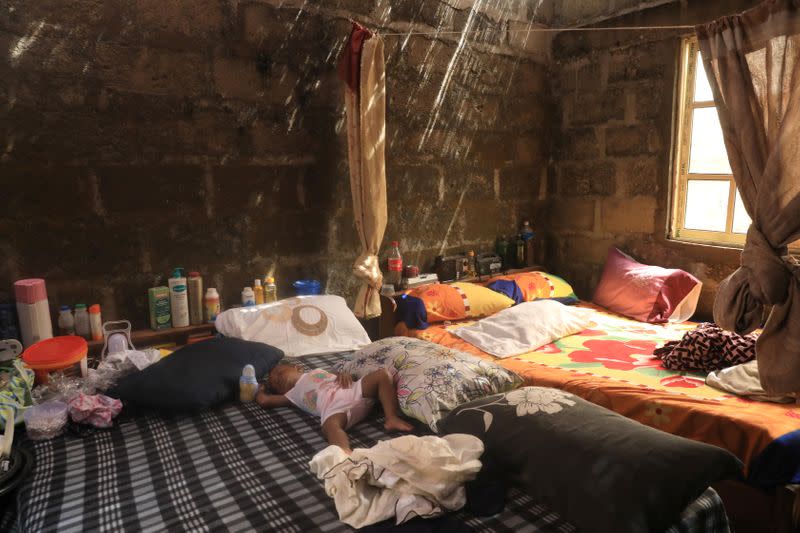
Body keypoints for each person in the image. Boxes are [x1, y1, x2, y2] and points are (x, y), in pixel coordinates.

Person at [256, 364, 413, 453]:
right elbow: (264, 401)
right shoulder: (291, 396)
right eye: (274, 384)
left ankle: (391, 417)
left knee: (382, 374)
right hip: (335, 408)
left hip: (354, 390)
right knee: (330, 426)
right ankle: (344, 450)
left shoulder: (316, 371)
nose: (275, 378)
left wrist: (346, 375)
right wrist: (259, 390)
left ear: (298, 368)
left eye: (278, 372)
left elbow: (342, 375)